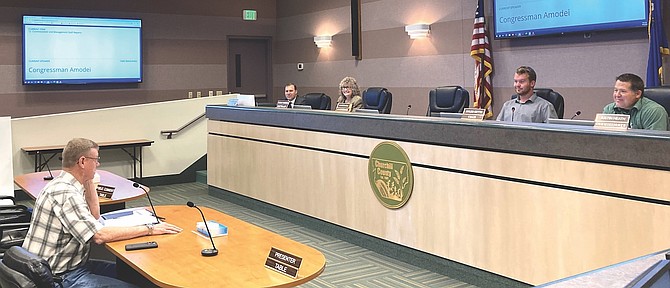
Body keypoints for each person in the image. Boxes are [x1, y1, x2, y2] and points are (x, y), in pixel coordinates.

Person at [22, 138, 182, 288]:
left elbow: (94, 216)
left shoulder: (62, 184)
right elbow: (99, 236)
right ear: (82, 161)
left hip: (69, 266)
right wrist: (150, 229)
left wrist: (88, 179)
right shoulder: (66, 193)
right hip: (60, 276)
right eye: (96, 160)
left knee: (138, 275)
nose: (98, 164)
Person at [602, 73, 669, 130]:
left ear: (637, 94)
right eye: (616, 90)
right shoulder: (609, 109)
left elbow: (655, 143)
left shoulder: (654, 111)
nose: (617, 95)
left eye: (623, 91)